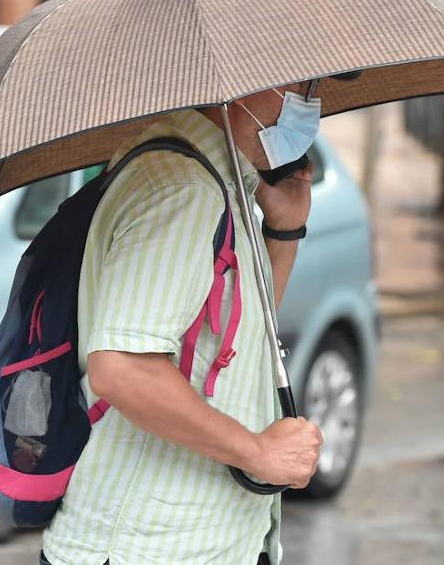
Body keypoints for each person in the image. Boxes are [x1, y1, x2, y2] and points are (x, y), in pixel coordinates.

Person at [40, 82, 327, 565]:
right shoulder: (183, 188)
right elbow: (122, 368)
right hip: (154, 546)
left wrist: (284, 230)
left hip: (192, 541)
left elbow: (234, 340)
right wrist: (258, 453)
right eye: (301, 86)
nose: (312, 101)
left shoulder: (214, 178)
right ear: (245, 82)